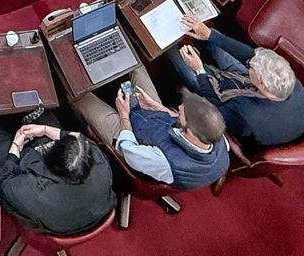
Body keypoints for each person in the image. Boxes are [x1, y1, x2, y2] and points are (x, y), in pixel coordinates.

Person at [170, 15, 304, 148]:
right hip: (245, 83)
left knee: (173, 50)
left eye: (251, 67)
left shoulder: (246, 116)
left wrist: (199, 70)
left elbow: (213, 104)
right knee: (215, 38)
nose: (249, 62)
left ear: (261, 84)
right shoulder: (290, 82)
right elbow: (250, 56)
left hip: (224, 104)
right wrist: (210, 35)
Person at [74, 72, 228, 191]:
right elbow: (174, 115)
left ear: (191, 133)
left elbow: (128, 149)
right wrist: (156, 106)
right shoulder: (214, 133)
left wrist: (123, 114)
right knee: (134, 65)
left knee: (77, 94)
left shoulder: (166, 162)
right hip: (154, 119)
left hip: (129, 136)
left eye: (182, 113)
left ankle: (77, 120)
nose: (179, 107)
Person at [0, 115, 114, 237]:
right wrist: (45, 130)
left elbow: (4, 182)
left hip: (56, 222)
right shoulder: (98, 161)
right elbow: (79, 139)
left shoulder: (37, 192)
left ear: (48, 157)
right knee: (45, 115)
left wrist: (16, 145)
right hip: (90, 213)